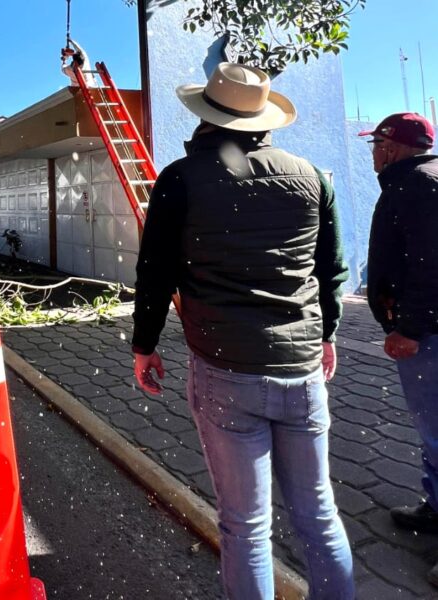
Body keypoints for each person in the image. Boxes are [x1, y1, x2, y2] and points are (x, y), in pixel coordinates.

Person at [131, 63, 353, 599]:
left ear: (207, 117)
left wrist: (145, 344)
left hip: (225, 369)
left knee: (247, 527)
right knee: (319, 514)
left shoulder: (181, 179)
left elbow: (155, 272)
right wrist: (327, 336)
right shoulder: (313, 177)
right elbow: (333, 272)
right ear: (261, 118)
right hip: (302, 372)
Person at [363, 113, 438, 568]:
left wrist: (409, 329)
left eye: (375, 144)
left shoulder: (418, 186)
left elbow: (431, 265)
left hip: (428, 334)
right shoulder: (418, 180)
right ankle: (435, 509)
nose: (372, 153)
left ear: (389, 147)